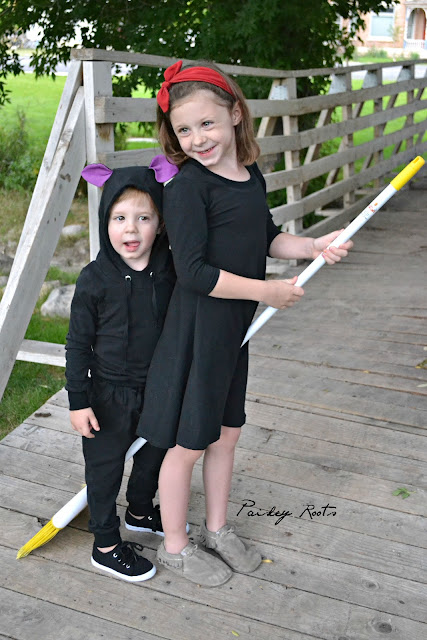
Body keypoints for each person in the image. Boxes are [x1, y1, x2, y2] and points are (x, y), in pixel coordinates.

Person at [136, 60, 354, 587]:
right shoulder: (188, 188)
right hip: (197, 333)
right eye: (184, 130)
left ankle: (216, 528)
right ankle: (175, 545)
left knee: (227, 434)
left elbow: (267, 237)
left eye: (206, 123)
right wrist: (266, 291)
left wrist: (313, 245)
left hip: (234, 332)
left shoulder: (250, 176)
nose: (197, 139)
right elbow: (193, 273)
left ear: (235, 114)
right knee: (188, 443)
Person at [65, 160, 177, 582]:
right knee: (105, 469)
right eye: (119, 218)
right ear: (104, 221)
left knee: (154, 454)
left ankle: (141, 511)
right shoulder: (95, 279)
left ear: (160, 223)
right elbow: (78, 345)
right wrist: (79, 402)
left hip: (158, 387)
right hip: (107, 396)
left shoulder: (169, 272)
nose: (131, 229)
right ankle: (106, 544)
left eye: (143, 218)